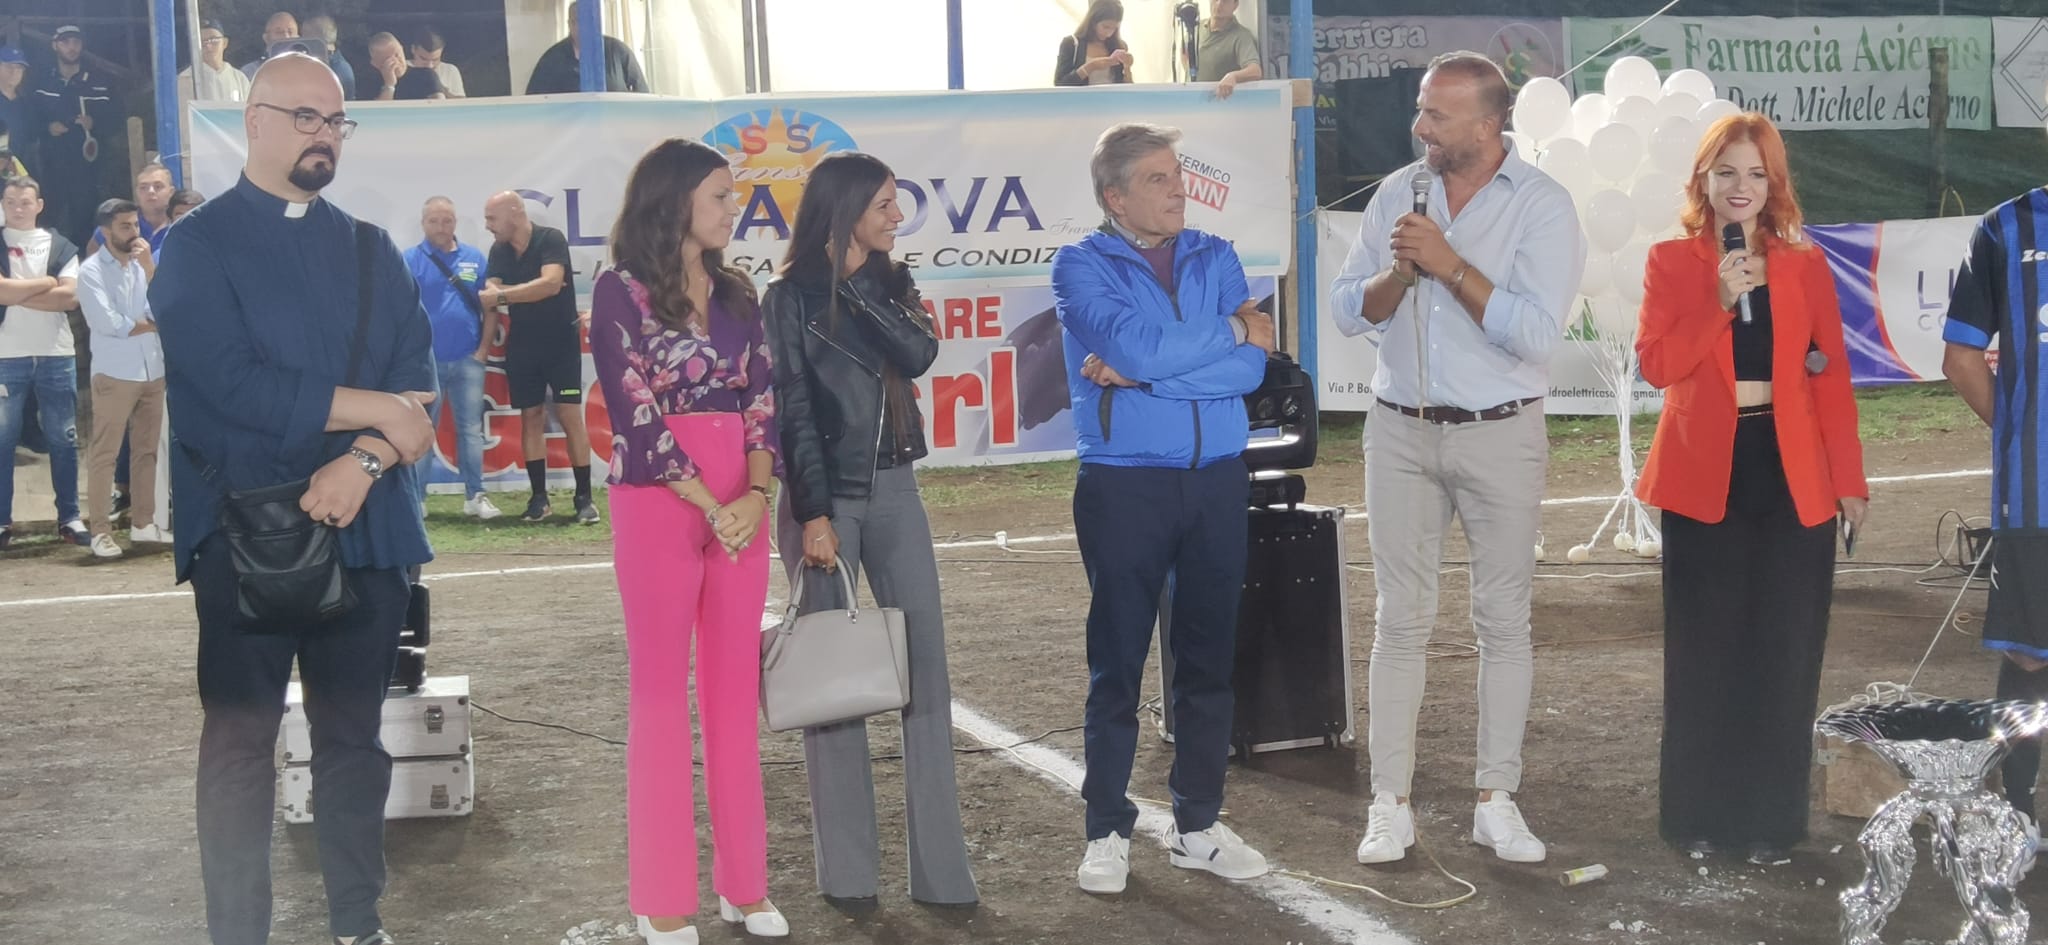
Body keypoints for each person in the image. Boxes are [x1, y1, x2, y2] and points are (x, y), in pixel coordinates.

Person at [149, 53, 434, 945]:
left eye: (336, 121)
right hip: (244, 535)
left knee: (355, 741)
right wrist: (379, 416)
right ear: (255, 121)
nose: (324, 136)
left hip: (370, 533)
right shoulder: (195, 248)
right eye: (305, 117)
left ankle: (358, 923)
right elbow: (232, 384)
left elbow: (416, 389)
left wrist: (363, 462)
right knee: (240, 748)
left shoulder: (372, 248)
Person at [1328, 51, 1584, 866]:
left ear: (1488, 124)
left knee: (1502, 621)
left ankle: (1495, 801)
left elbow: (1536, 334)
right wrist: (1398, 274)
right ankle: (1390, 804)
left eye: (1437, 115)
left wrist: (1450, 265)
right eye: (1420, 109)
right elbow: (1348, 309)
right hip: (1400, 430)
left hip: (1501, 431)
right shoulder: (1398, 192)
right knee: (1400, 619)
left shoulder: (1542, 206)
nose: (1420, 127)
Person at [1636, 113, 1868, 862]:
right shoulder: (1671, 262)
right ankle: (1698, 818)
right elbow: (1657, 366)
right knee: (1704, 649)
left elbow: (1831, 376)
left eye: (1757, 174)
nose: (1742, 187)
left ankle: (1770, 823)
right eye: (1728, 172)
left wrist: (1849, 478)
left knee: (1786, 648)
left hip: (1793, 471)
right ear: (1703, 180)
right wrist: (1716, 300)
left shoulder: (1804, 265)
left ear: (1775, 185)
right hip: (1704, 470)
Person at [1051, 122, 1275, 894]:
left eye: (1177, 174)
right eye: (1157, 178)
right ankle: (1106, 830)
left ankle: (1198, 825)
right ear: (1114, 197)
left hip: (1217, 480)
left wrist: (1146, 375)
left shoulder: (1216, 254)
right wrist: (1226, 334)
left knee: (1208, 662)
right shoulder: (1079, 266)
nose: (1179, 188)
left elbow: (1250, 370)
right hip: (1125, 485)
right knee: (1117, 662)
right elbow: (1159, 347)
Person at [763, 151, 978, 907]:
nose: (896, 216)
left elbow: (918, 353)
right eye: (884, 204)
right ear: (845, 208)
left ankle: (943, 875)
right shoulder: (786, 297)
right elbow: (792, 411)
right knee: (833, 686)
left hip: (896, 489)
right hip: (823, 500)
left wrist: (858, 285)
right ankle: (849, 877)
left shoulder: (890, 281)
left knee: (926, 673)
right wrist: (814, 514)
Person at [591, 137, 788, 945]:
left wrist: (757, 496)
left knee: (735, 692)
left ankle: (746, 884)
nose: (733, 208)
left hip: (742, 505)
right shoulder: (619, 290)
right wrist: (712, 501)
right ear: (674, 200)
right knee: (660, 695)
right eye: (720, 194)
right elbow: (632, 410)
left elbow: (764, 402)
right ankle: (662, 895)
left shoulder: (740, 293)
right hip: (659, 501)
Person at [1941, 145, 2048, 831]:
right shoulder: (2005, 227)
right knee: (2028, 653)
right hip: (2035, 486)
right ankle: (2016, 812)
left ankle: (2017, 815)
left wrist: (2022, 436)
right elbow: (1960, 355)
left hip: (2035, 486)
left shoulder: (2007, 226)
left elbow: (1960, 359)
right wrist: (2014, 431)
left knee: (2029, 655)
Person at [480, 190, 599, 524]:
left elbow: (550, 283)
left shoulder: (551, 239)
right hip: (522, 344)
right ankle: (539, 499)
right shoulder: (499, 250)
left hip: (561, 344)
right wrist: (509, 294)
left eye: (492, 218)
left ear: (514, 212)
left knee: (569, 414)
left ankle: (584, 498)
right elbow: (489, 294)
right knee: (530, 416)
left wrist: (504, 295)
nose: (488, 225)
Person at [75, 198, 168, 558]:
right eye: (125, 226)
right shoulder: (91, 272)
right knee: (106, 454)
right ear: (105, 230)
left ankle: (143, 523)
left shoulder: (142, 266)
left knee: (147, 451)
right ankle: (100, 531)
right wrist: (151, 323)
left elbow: (163, 305)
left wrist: (150, 270)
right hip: (115, 373)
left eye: (135, 224)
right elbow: (111, 324)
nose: (134, 232)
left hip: (152, 369)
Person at [0, 174, 85, 550]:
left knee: (63, 438)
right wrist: (46, 283)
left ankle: (69, 517)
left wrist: (16, 293)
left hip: (55, 354)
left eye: (25, 202)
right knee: (3, 441)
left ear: (39, 205)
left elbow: (69, 299)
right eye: (11, 202)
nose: (18, 208)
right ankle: (2, 521)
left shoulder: (61, 245)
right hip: (6, 355)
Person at [403, 196, 497, 519]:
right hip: (424, 362)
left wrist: (483, 350)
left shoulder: (474, 258)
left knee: (471, 430)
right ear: (423, 224)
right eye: (434, 221)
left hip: (468, 359)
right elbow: (399, 311)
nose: (441, 227)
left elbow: (491, 307)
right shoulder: (409, 260)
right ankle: (417, 500)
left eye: (447, 221)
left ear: (455, 223)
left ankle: (476, 496)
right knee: (422, 429)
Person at [32, 25, 118, 248]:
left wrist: (94, 123)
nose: (72, 47)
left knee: (85, 221)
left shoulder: (99, 82)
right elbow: (29, 119)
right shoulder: (41, 82)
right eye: (65, 42)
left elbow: (117, 119)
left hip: (90, 171)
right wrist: (47, 127)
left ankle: (83, 263)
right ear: (55, 45)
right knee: (49, 220)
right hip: (51, 168)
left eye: (76, 42)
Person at [525, 1, 648, 95]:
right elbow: (533, 103)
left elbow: (643, 96)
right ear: (570, 24)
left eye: (590, 20)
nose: (584, 27)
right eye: (578, 21)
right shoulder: (551, 60)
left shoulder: (619, 52)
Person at [1056, 1, 1133, 87]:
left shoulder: (1120, 46)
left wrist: (1127, 67)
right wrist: (1091, 66)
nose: (1109, 33)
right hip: (1084, 96)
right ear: (1093, 22)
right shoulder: (1071, 44)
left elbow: (1127, 87)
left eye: (1115, 28)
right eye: (1105, 27)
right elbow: (1060, 84)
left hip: (1113, 95)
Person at [1194, 0, 1262, 98]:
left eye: (1225, 1)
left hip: (1220, 102)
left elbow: (1255, 71)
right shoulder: (1196, 28)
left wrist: (1233, 77)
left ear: (1235, 5)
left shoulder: (1241, 36)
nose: (1219, 4)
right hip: (1190, 99)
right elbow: (1185, 55)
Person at [179, 20, 253, 106]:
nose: (208, 46)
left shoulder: (239, 78)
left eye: (213, 40)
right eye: (202, 42)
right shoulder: (186, 78)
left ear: (224, 43)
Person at [0, 46, 41, 182]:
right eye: (9, 66)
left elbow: (32, 141)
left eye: (19, 68)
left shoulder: (27, 104)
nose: (14, 72)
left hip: (18, 176)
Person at [301, 16, 359, 102]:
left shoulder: (340, 69)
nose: (301, 39)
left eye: (305, 35)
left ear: (314, 38)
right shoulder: (309, 63)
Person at [408, 27, 466, 99]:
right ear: (413, 49)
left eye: (435, 60)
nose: (430, 65)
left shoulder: (450, 70)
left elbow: (461, 102)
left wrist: (440, 89)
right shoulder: (401, 69)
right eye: (423, 59)